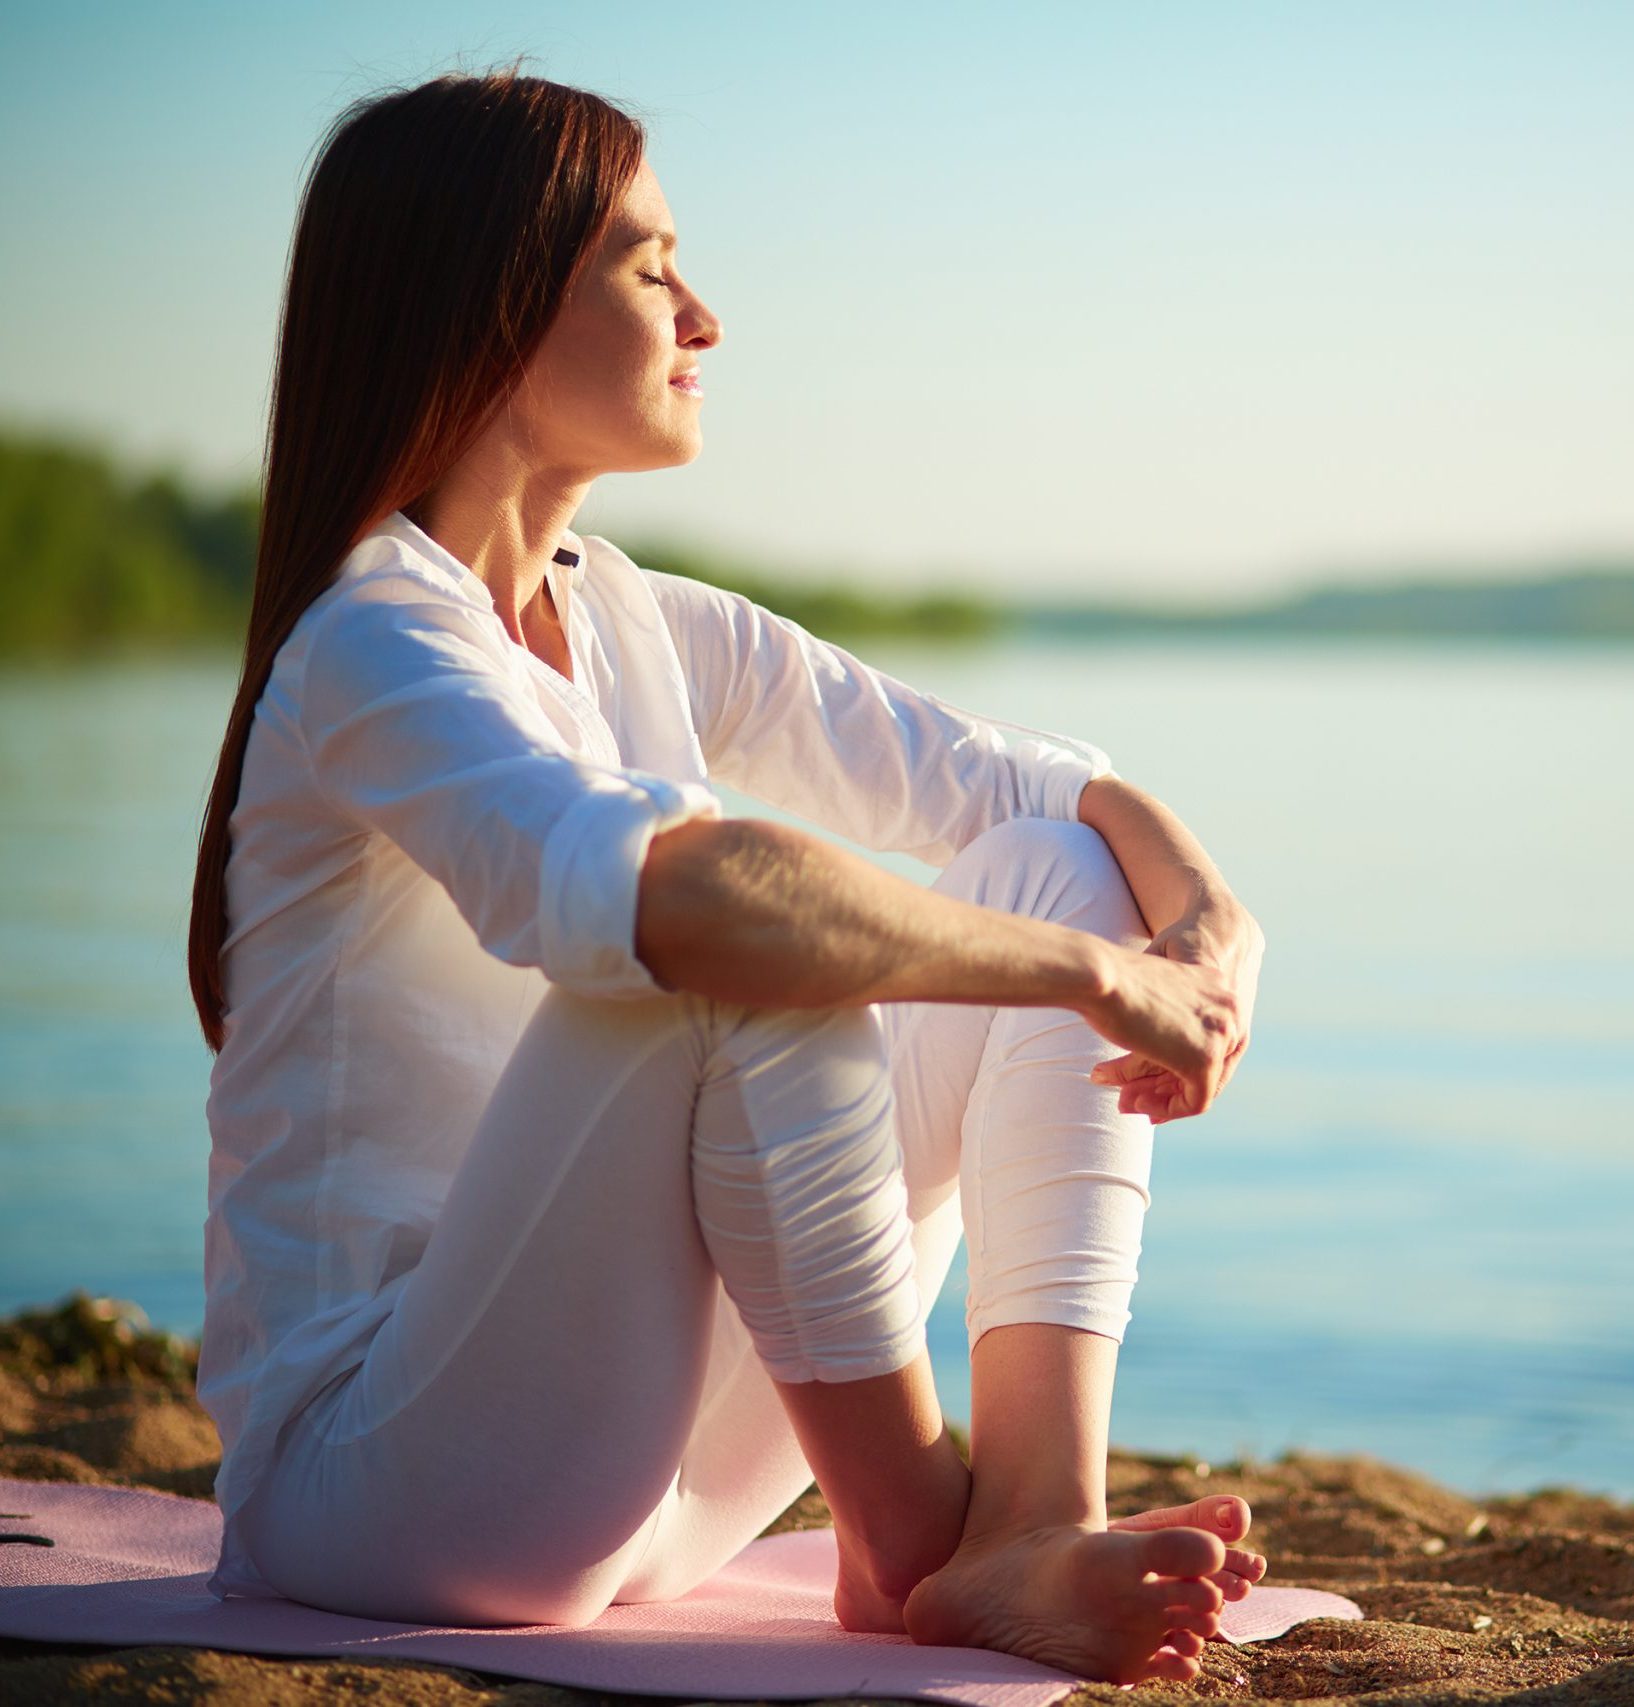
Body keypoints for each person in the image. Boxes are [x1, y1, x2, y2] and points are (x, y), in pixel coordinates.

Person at [186, 67, 1267, 1689]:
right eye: (646, 265)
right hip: (382, 1488)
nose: (702, 315)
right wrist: (1097, 981)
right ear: (488, 308)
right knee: (732, 944)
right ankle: (912, 1534)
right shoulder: (374, 641)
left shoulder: (632, 615)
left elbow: (1044, 790)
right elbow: (686, 899)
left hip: (656, 1480)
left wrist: (1205, 922)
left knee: (1045, 870)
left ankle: (1026, 1520)